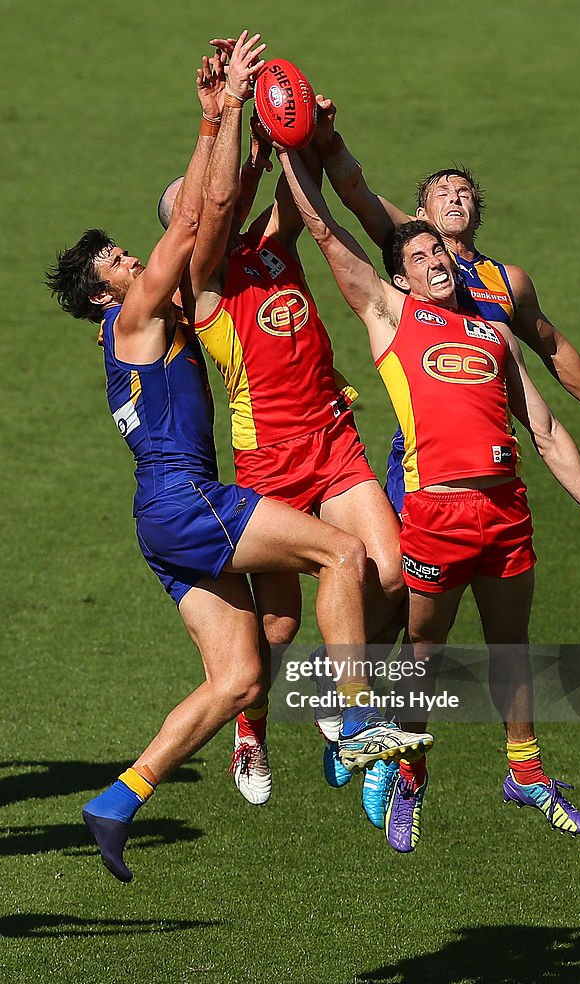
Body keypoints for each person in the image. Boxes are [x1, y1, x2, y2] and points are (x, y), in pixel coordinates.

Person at [45, 35, 433, 882]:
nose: (131, 261)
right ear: (103, 294)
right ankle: (354, 715)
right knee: (341, 553)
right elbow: (195, 222)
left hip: (160, 522)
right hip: (189, 499)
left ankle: (119, 799)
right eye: (117, 261)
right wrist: (216, 112)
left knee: (239, 680)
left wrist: (273, 134)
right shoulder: (139, 315)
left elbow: (227, 206)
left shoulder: (144, 324)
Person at [277, 146, 580, 853]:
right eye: (417, 256)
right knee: (422, 652)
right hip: (436, 513)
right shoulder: (390, 317)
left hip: (506, 511)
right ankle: (409, 773)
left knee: (510, 647)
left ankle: (525, 771)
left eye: (437, 252)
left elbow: (545, 429)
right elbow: (325, 233)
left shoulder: (493, 333)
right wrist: (291, 148)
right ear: (397, 277)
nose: (433, 260)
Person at [156, 50, 406, 823]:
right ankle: (251, 730)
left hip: (333, 440)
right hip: (268, 463)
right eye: (195, 208)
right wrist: (231, 114)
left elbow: (300, 203)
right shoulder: (199, 284)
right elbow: (220, 197)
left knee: (390, 575)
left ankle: (345, 713)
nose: (216, 208)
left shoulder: (271, 246)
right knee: (279, 623)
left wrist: (298, 133)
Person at [312, 102, 580, 513]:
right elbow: (356, 194)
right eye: (442, 193)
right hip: (428, 446)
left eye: (464, 193)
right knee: (402, 574)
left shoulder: (508, 281)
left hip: (493, 445)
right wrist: (328, 141)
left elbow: (554, 349)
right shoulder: (415, 249)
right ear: (420, 217)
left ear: (476, 214)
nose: (455, 198)